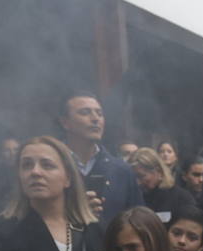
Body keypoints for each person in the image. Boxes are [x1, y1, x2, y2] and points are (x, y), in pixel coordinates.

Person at [57, 92, 143, 223]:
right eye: (85, 112)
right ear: (65, 122)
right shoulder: (50, 167)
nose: (95, 118)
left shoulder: (122, 170)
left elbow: (139, 222)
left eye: (99, 113)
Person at [126, 146, 192, 220]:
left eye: (142, 176)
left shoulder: (180, 198)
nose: (137, 182)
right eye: (133, 177)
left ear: (159, 172)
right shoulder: (130, 199)